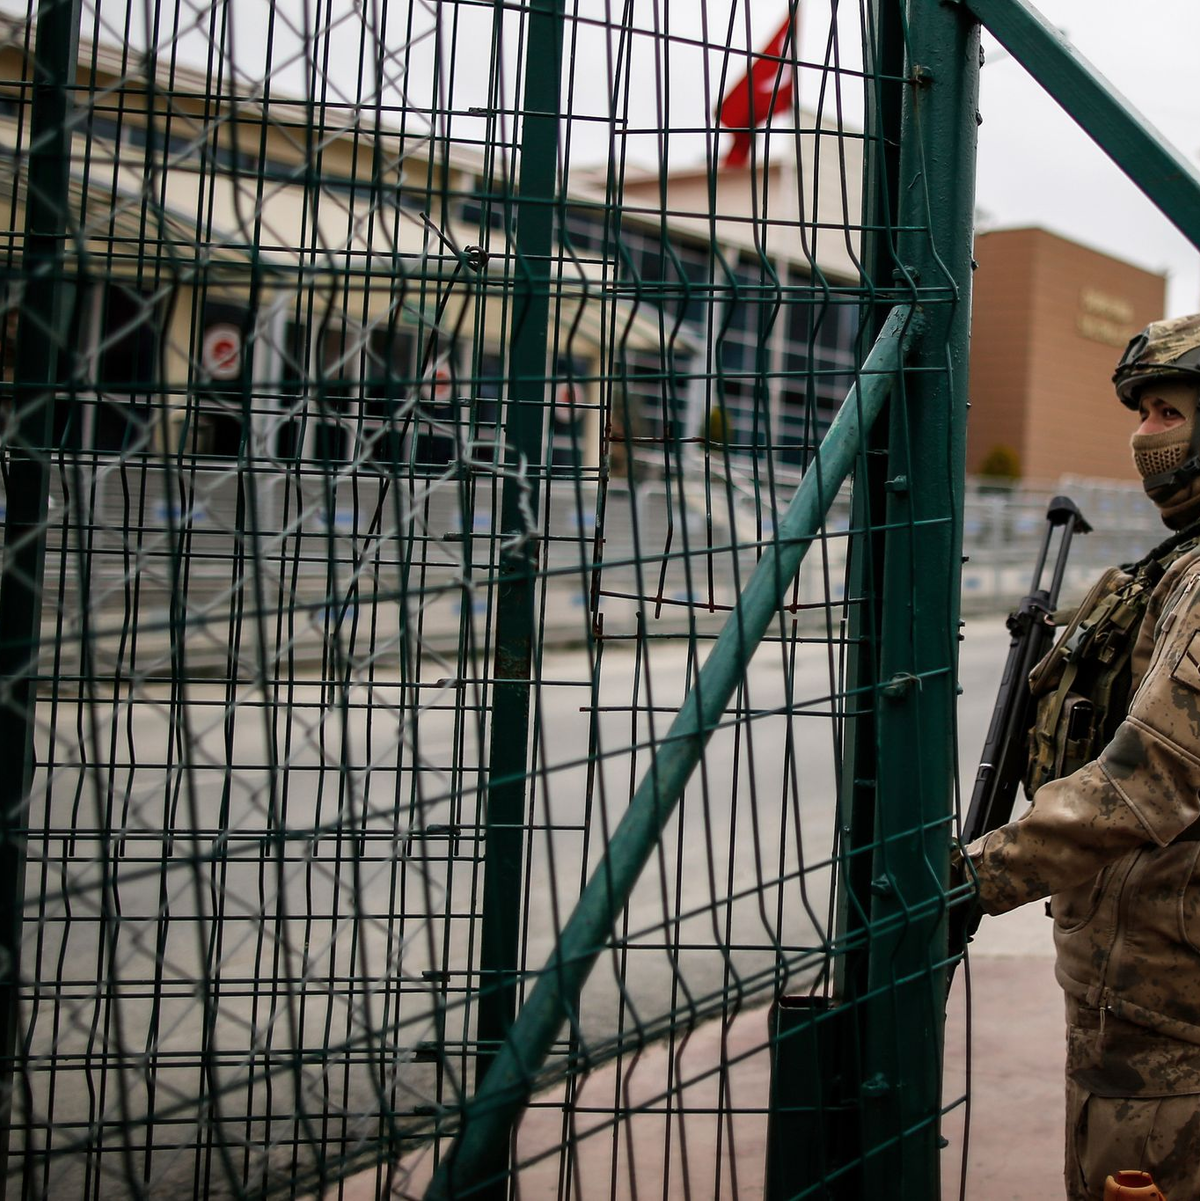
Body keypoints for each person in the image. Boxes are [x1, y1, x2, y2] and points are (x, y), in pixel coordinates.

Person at [964, 312, 1200, 1201]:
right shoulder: (1179, 564)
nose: (1142, 436)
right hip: (1141, 998)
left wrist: (972, 876)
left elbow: (1148, 778)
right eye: (1140, 413)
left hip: (1170, 1016)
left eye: (1165, 414)